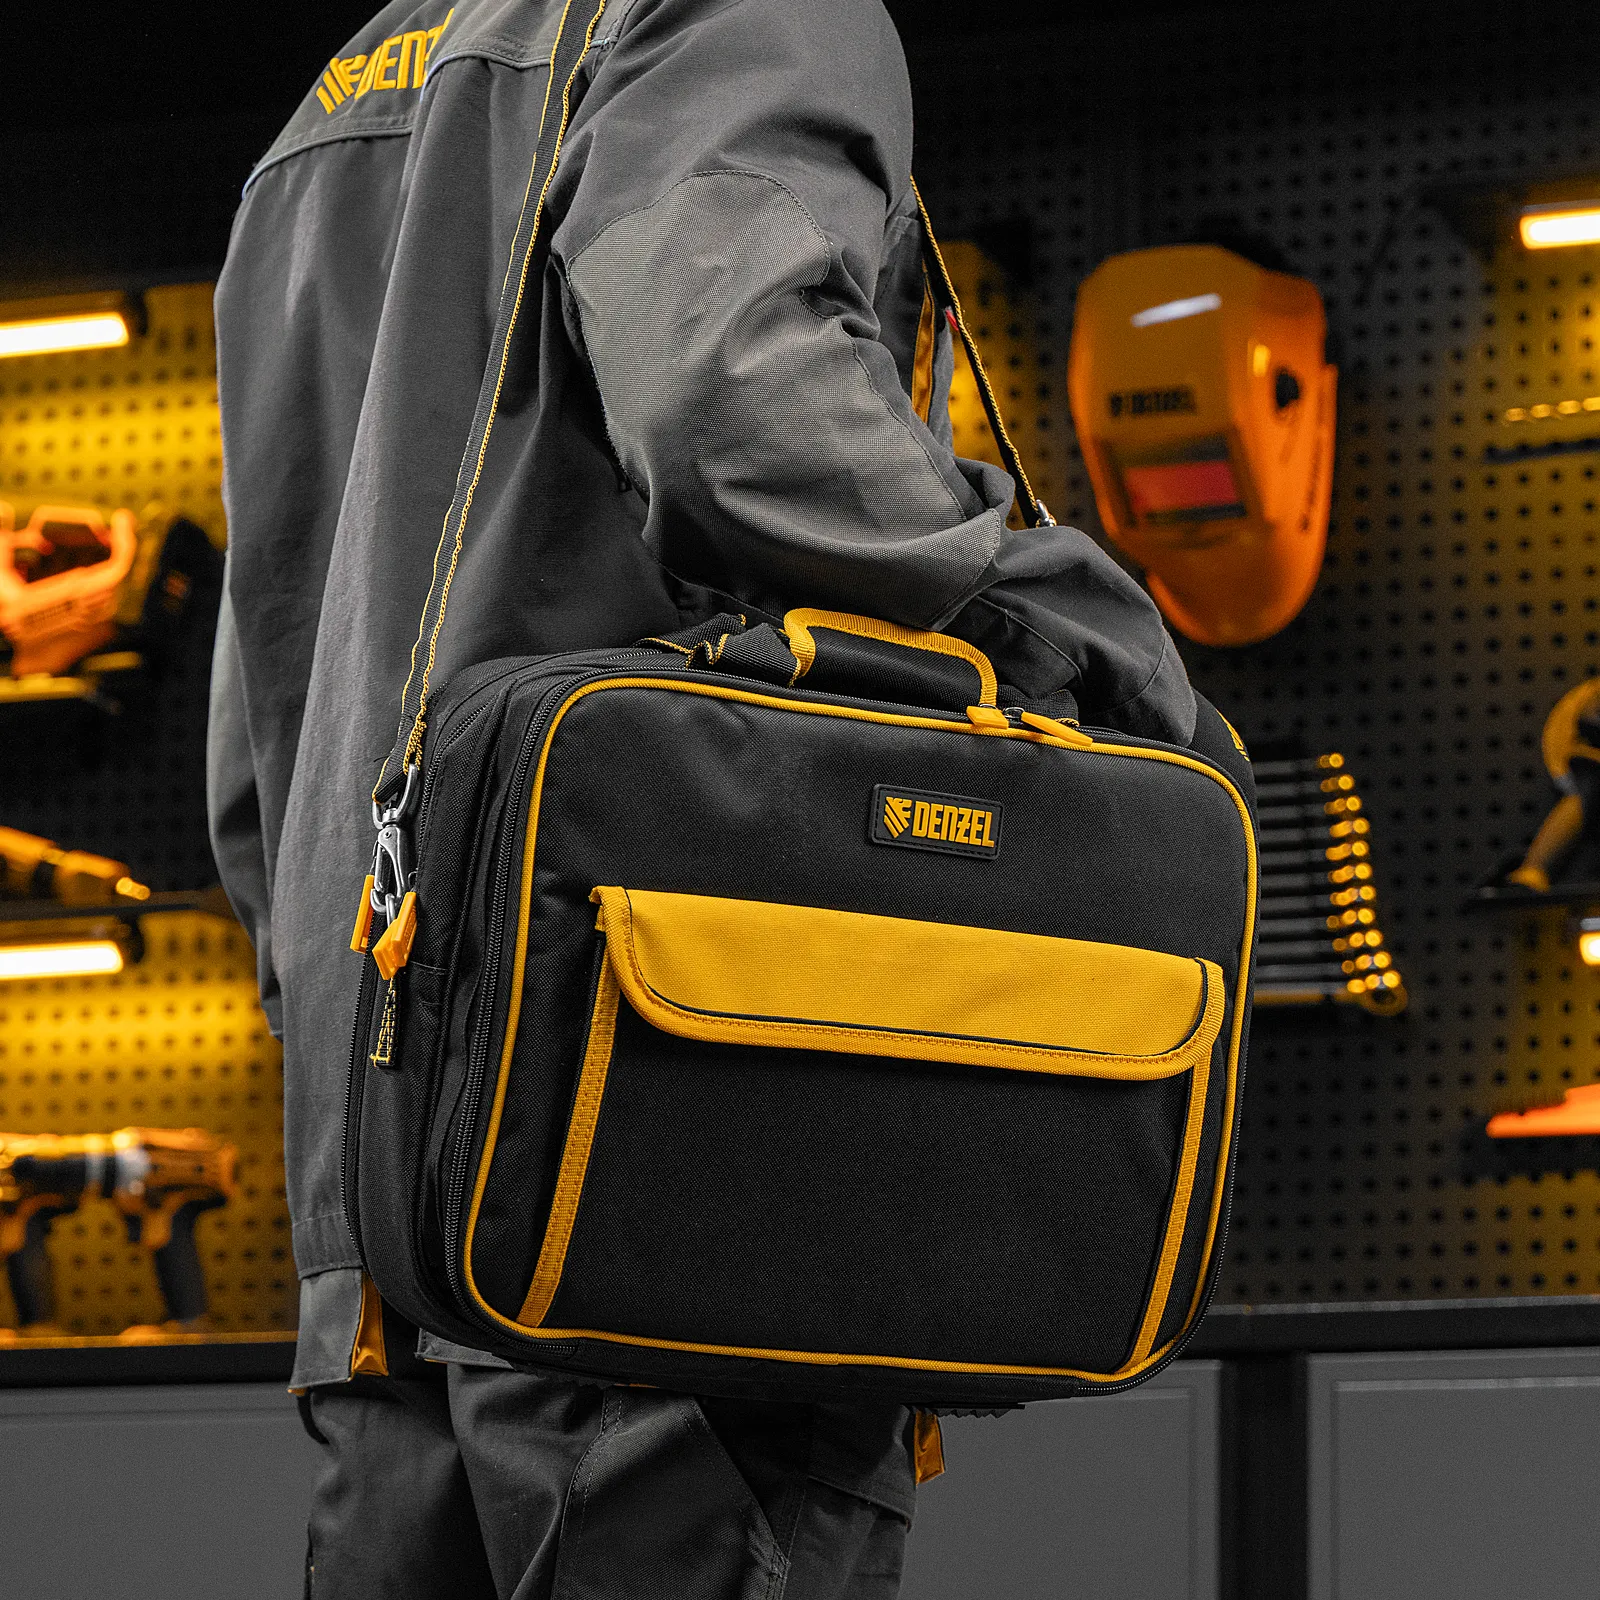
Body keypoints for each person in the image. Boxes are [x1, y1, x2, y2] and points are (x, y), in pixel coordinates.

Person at [207, 0, 1197, 1593]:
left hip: (392, 1218)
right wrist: (1069, 635)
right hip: (660, 1151)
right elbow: (741, 408)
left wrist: (378, 1061)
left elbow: (269, 723)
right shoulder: (738, 12)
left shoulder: (337, 101)